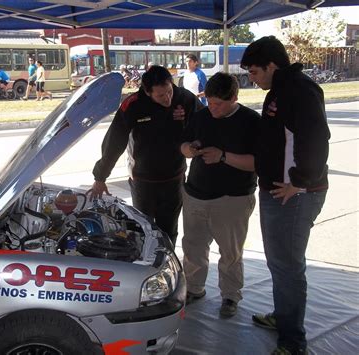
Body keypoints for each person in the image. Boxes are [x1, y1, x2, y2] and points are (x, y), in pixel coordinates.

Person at [240, 36, 329, 355]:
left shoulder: (300, 90)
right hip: (276, 189)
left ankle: (293, 341)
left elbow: (317, 140)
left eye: (254, 71)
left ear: (271, 66)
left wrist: (299, 182)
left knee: (289, 265)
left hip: (293, 193)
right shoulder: (278, 90)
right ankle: (283, 317)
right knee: (279, 262)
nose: (252, 77)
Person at [89, 65, 203, 245]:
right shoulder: (133, 104)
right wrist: (100, 176)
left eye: (169, 91)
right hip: (143, 181)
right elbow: (114, 141)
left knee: (169, 231)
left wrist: (195, 143)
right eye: (160, 95)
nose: (167, 98)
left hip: (174, 179)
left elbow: (202, 125)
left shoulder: (185, 98)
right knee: (141, 230)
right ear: (147, 92)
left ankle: (166, 265)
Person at [180, 72, 259, 317]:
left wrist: (223, 156)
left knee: (230, 252)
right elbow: (183, 145)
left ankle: (230, 296)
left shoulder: (251, 121)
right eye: (210, 102)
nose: (212, 108)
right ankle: (194, 288)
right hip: (195, 193)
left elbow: (258, 163)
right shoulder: (201, 116)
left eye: (219, 104)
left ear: (235, 97)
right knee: (193, 246)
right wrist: (190, 150)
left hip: (232, 198)